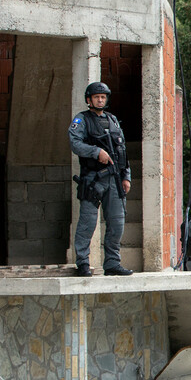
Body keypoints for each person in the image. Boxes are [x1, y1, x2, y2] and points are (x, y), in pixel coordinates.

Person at [69, 81, 132, 277]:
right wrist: (96, 152)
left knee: (117, 223)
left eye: (103, 97)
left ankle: (112, 263)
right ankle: (83, 263)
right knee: (87, 223)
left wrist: (126, 176)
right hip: (93, 179)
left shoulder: (112, 120)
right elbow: (75, 144)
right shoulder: (82, 120)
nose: (100, 100)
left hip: (114, 179)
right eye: (96, 97)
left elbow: (122, 151)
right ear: (89, 99)